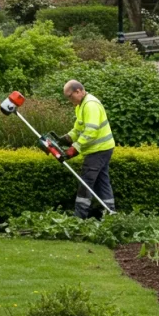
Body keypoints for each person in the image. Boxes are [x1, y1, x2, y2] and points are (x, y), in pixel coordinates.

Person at [58, 80, 115, 218]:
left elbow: (91, 131)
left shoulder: (90, 105)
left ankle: (80, 218)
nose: (69, 100)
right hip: (102, 149)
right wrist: (66, 138)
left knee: (86, 182)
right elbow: (78, 128)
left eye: (70, 96)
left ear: (78, 91)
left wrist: (75, 148)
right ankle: (111, 214)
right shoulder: (81, 105)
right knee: (102, 182)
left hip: (98, 150)